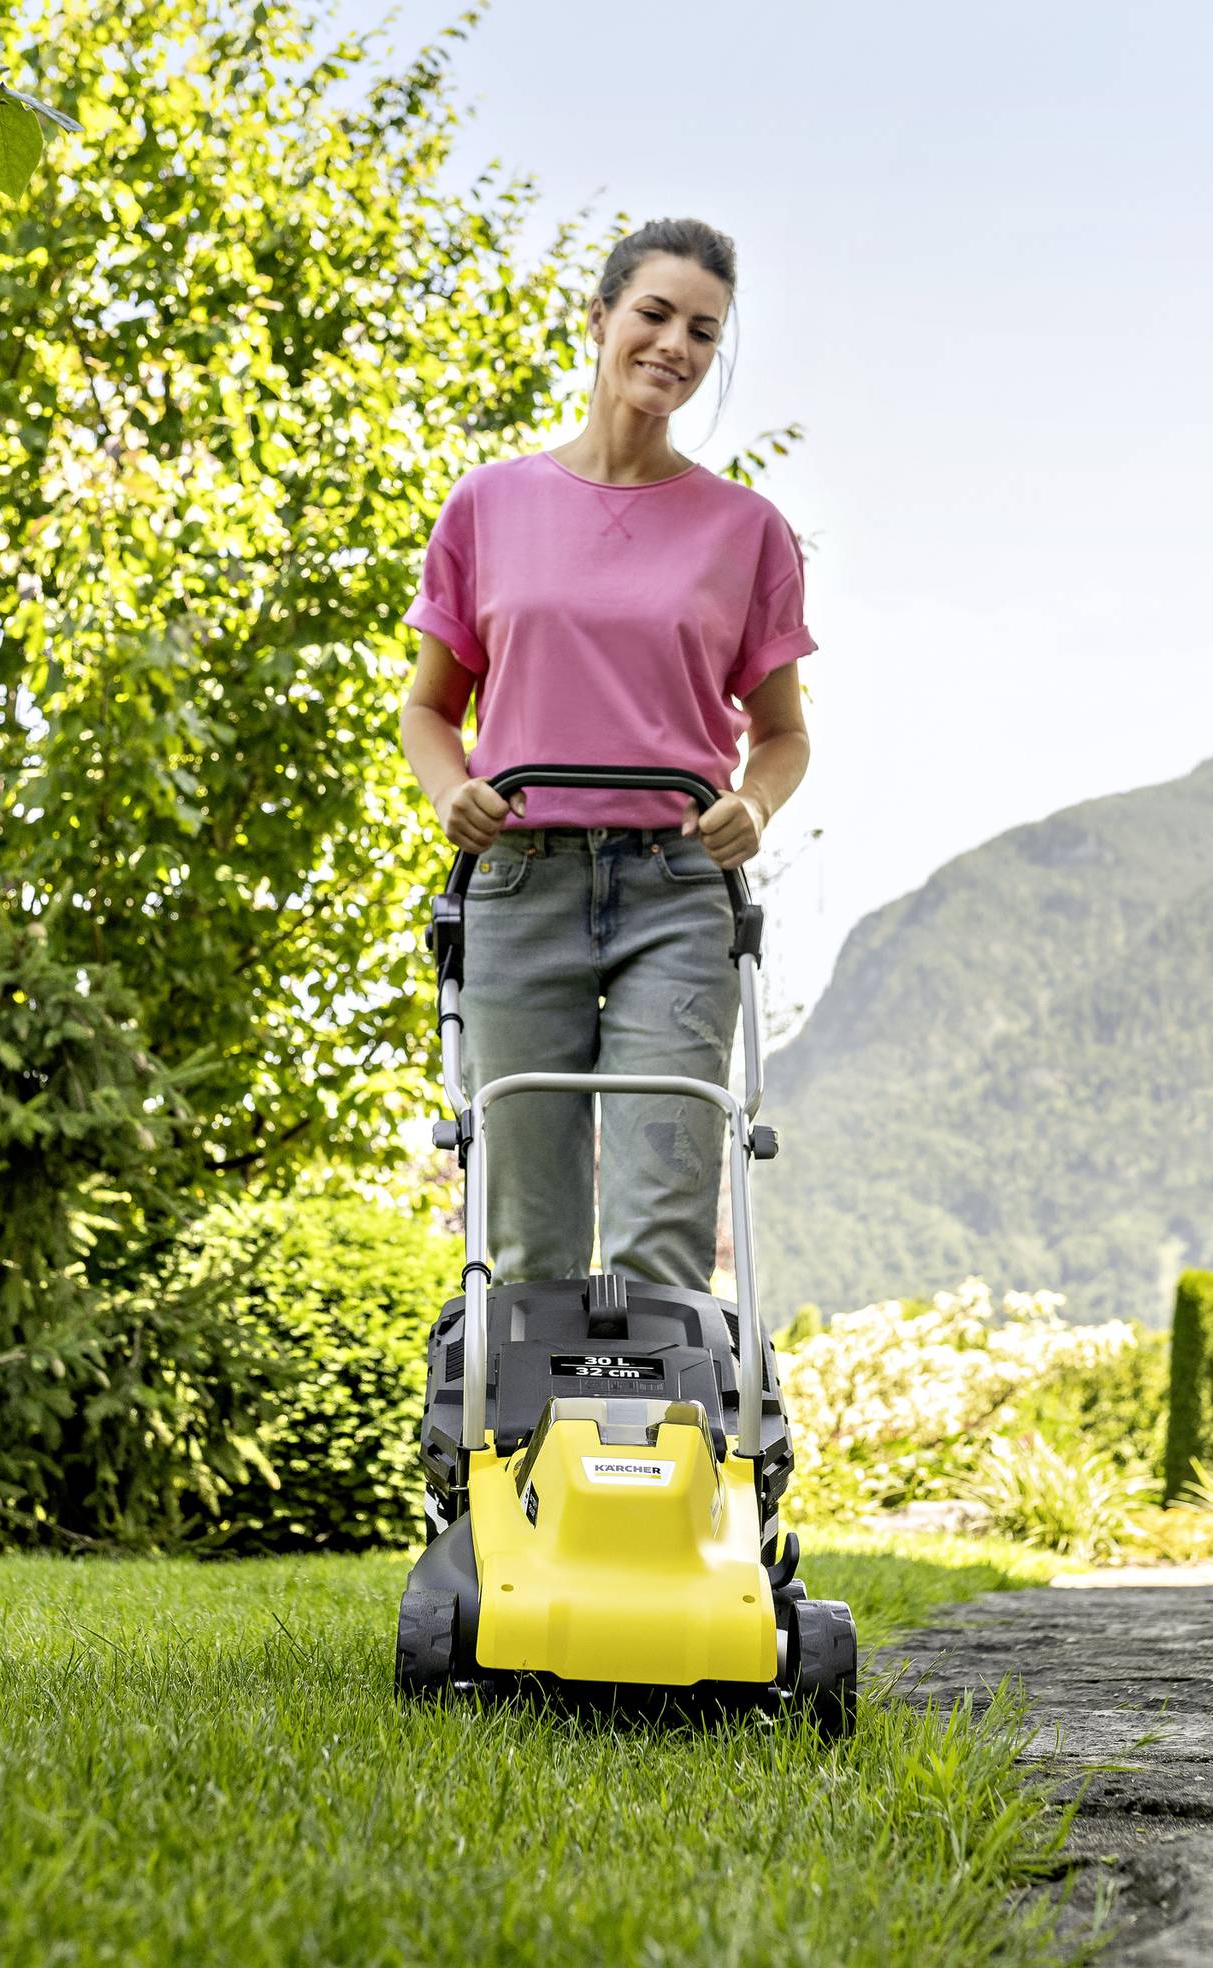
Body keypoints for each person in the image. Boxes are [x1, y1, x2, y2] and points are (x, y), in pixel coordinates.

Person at [398, 215, 815, 1293]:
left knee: (659, 1230)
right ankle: (530, 1454)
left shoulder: (746, 529)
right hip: (520, 884)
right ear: (600, 319)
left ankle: (664, 1448)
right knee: (528, 1236)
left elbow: (781, 736)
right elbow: (431, 711)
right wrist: (452, 791)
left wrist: (756, 808)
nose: (676, 344)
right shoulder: (488, 504)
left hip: (678, 893)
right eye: (656, 314)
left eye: (704, 331)